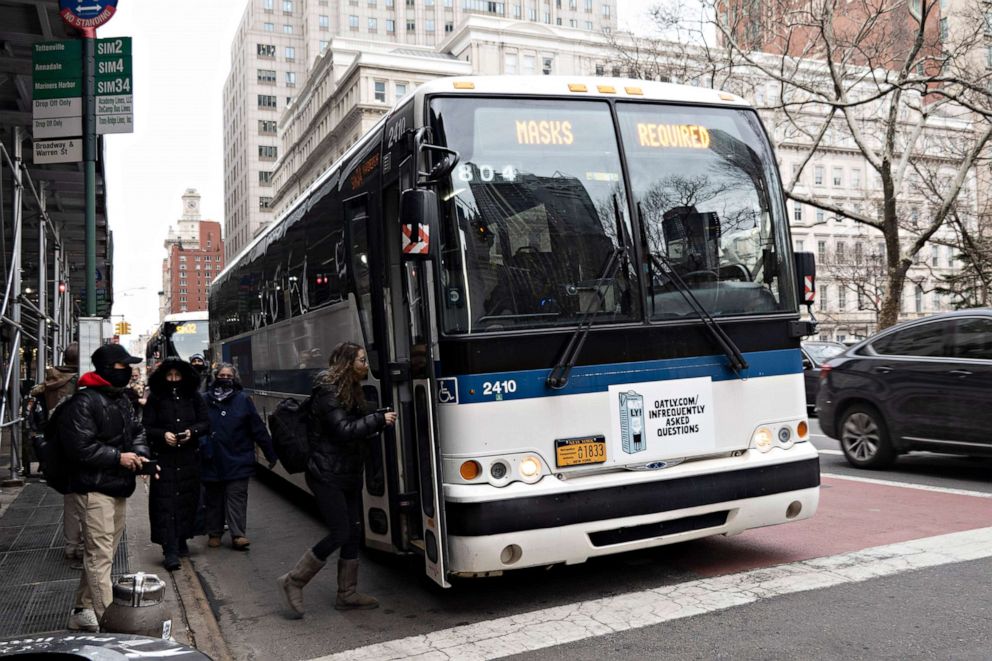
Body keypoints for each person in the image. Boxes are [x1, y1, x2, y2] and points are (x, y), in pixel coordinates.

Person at [276, 342, 396, 617]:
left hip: (347, 471)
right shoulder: (328, 392)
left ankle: (347, 593)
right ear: (347, 363)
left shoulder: (350, 389)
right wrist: (378, 420)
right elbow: (342, 430)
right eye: (362, 360)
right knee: (341, 531)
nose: (366, 364)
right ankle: (294, 580)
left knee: (354, 530)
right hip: (326, 473)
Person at [60, 344, 150, 632]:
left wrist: (138, 454)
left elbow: (137, 431)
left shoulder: (121, 398)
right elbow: (79, 448)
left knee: (104, 555)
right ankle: (112, 627)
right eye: (125, 367)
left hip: (117, 486)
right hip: (93, 488)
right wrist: (118, 457)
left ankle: (82, 609)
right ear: (110, 369)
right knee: (99, 557)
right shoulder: (84, 402)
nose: (131, 371)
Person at [142, 358, 210, 570]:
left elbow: (205, 423)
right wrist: (163, 435)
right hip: (165, 458)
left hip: (189, 458)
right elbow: (146, 427)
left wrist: (192, 432)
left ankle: (181, 539)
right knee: (165, 503)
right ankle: (169, 548)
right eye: (169, 376)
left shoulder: (194, 397)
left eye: (177, 376)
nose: (173, 380)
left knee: (187, 500)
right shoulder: (156, 398)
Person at [201, 363, 277, 551]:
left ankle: (238, 534)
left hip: (238, 458)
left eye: (229, 376)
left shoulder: (243, 400)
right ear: (215, 376)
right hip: (212, 460)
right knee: (214, 499)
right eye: (222, 375)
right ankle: (215, 532)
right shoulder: (204, 400)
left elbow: (257, 429)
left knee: (237, 497)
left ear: (235, 379)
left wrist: (270, 453)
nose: (225, 378)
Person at [29, 343, 83, 561]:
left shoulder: (49, 380)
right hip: (75, 441)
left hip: (55, 444)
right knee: (84, 496)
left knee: (69, 497)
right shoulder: (80, 381)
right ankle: (81, 545)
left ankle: (71, 545)